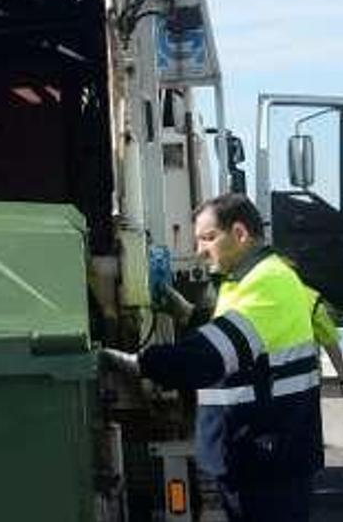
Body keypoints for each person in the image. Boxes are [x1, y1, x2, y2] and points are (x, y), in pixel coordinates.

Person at [102, 194, 323, 521]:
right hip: (260, 452)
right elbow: (237, 340)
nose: (200, 250)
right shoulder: (247, 281)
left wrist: (137, 362)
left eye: (208, 238)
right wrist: (187, 313)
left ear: (240, 233)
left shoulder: (268, 283)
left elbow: (206, 359)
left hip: (267, 457)